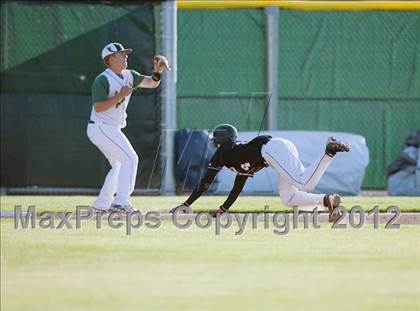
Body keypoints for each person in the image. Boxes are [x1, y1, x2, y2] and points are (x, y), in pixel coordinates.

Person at [171, 124, 350, 221]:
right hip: (275, 150)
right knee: (288, 197)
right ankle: (327, 200)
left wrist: (187, 203)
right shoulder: (235, 156)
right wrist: (224, 208)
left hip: (272, 149)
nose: (214, 144)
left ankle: (329, 151)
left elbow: (205, 182)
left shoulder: (223, 152)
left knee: (304, 183)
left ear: (222, 141)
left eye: (216, 141)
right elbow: (237, 187)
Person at [87, 42, 169, 213]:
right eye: (121, 54)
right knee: (130, 159)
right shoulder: (103, 79)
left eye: (126, 53)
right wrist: (122, 95)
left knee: (119, 165)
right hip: (101, 127)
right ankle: (121, 202)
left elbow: (151, 83)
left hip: (110, 128)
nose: (126, 56)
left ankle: (101, 205)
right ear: (110, 59)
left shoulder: (129, 75)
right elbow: (98, 107)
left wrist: (157, 71)